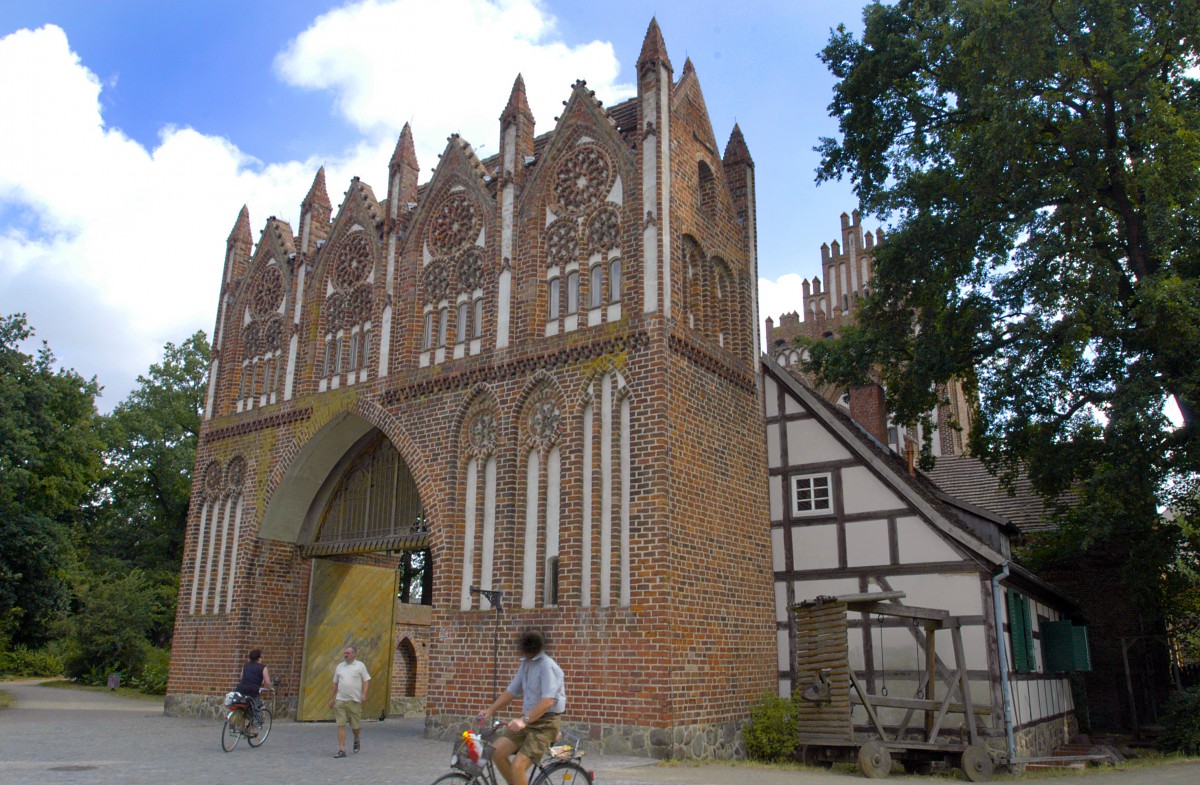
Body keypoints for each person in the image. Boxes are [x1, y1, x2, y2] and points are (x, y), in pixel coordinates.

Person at [477, 630, 566, 785]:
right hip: (529, 720)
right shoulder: (526, 664)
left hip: (545, 724)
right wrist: (491, 709)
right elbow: (512, 691)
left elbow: (548, 701)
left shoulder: (547, 665)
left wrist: (524, 720)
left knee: (518, 766)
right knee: (496, 752)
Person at [328, 645, 371, 758]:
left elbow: (366, 681)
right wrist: (331, 698)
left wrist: (364, 694)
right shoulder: (340, 667)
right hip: (340, 700)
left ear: (354, 654)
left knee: (355, 726)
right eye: (345, 653)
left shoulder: (360, 666)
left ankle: (356, 738)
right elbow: (335, 683)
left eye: (348, 653)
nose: (345, 654)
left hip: (354, 700)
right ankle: (342, 749)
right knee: (340, 724)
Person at [234, 649, 272, 737]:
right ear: (258, 658)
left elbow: (241, 677)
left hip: (241, 689)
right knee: (257, 709)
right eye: (261, 657)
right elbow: (267, 682)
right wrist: (271, 689)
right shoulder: (263, 667)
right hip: (253, 691)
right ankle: (252, 731)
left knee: (242, 706)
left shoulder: (245, 665)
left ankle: (240, 726)